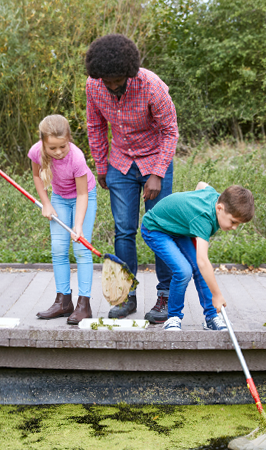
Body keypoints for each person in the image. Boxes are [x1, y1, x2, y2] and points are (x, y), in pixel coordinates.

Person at [84, 33, 179, 323]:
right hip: (120, 163)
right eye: (106, 81)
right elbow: (95, 125)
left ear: (128, 72)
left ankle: (164, 296)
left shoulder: (151, 86)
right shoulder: (94, 86)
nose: (111, 87)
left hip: (155, 160)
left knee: (159, 229)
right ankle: (127, 296)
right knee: (123, 230)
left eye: (116, 81)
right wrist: (102, 166)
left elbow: (170, 131)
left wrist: (157, 173)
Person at [140, 183, 255, 331]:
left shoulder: (217, 198)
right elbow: (202, 261)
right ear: (219, 208)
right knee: (184, 271)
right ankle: (173, 317)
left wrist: (189, 209)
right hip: (155, 228)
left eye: (238, 224)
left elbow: (201, 185)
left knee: (200, 271)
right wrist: (217, 295)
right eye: (233, 222)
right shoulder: (203, 218)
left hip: (177, 229)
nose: (234, 227)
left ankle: (212, 317)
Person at [29, 115, 98, 325]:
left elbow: (83, 194)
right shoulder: (36, 152)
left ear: (69, 139)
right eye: (53, 148)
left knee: (81, 249)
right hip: (58, 198)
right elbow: (37, 176)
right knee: (58, 248)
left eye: (62, 146)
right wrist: (46, 203)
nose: (58, 152)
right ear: (43, 142)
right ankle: (63, 302)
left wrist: (77, 226)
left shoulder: (76, 157)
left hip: (83, 197)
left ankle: (84, 305)